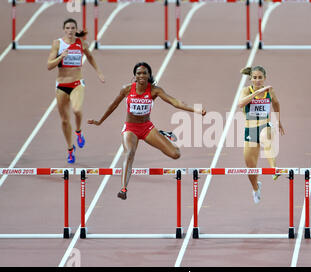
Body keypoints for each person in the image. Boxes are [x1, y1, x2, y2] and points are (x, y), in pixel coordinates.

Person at [88, 62, 206, 200]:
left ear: (149, 75)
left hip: (147, 128)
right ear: (135, 76)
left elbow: (176, 102)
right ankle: (123, 189)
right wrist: (100, 121)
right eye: (138, 73)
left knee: (175, 154)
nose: (141, 76)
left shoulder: (155, 90)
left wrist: (196, 110)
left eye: (144, 73)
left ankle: (162, 134)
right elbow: (113, 105)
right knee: (129, 153)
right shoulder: (126, 89)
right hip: (130, 128)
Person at [47, 18, 105, 164]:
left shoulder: (81, 43)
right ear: (64, 30)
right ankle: (70, 149)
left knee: (77, 110)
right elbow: (49, 65)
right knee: (65, 121)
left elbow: (90, 57)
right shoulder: (58, 44)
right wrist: (61, 57)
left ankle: (78, 132)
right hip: (61, 85)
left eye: (73, 28)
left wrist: (99, 72)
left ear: (76, 30)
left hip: (77, 83)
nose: (71, 30)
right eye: (68, 28)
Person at [238, 66, 285, 204]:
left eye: (260, 77)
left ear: (264, 78)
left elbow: (276, 103)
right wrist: (257, 92)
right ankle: (255, 187)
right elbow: (241, 104)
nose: (257, 80)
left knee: (265, 137)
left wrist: (278, 121)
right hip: (250, 130)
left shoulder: (269, 90)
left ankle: (274, 169)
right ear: (251, 79)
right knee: (251, 168)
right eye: (255, 77)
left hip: (265, 125)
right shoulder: (246, 90)